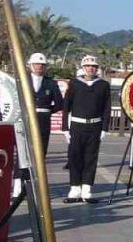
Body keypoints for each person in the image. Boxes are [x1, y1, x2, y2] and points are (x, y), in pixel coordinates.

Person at [61, 55, 109, 204]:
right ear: (82, 68)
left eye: (93, 66)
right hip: (77, 125)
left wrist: (104, 129)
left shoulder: (103, 85)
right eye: (87, 66)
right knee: (75, 158)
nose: (90, 68)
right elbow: (66, 106)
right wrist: (65, 128)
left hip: (94, 126)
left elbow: (106, 108)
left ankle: (87, 189)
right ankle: (74, 188)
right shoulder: (74, 83)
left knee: (90, 158)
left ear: (97, 69)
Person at [27, 53, 64, 154]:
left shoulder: (51, 83)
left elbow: (60, 103)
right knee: (25, 151)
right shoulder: (23, 80)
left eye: (42, 65)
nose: (40, 66)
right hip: (25, 119)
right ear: (31, 65)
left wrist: (46, 110)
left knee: (41, 150)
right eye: (37, 64)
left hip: (43, 121)